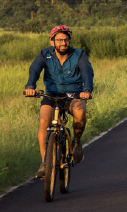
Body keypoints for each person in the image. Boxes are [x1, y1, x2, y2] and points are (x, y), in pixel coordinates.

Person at [24, 25, 94, 179]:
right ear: (52, 41)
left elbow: (87, 72)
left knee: (80, 113)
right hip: (51, 94)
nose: (64, 43)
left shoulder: (78, 54)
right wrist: (30, 86)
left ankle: (76, 142)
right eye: (60, 40)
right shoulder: (45, 54)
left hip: (74, 93)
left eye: (67, 39)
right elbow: (35, 69)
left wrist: (87, 90)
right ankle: (44, 163)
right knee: (44, 121)